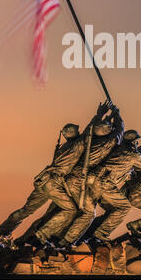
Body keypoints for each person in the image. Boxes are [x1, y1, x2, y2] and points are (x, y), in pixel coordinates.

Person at [0, 102, 110, 245]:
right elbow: (89, 132)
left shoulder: (63, 147)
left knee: (25, 210)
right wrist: (99, 114)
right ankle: (40, 236)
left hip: (43, 180)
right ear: (75, 134)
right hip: (53, 183)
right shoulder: (76, 145)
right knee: (70, 210)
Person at [33, 103, 124, 250]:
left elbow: (90, 129)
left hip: (71, 179)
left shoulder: (88, 140)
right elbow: (119, 131)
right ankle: (63, 241)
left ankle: (53, 237)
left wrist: (104, 115)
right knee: (88, 213)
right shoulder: (107, 143)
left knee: (74, 210)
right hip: (78, 181)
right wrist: (117, 115)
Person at [78, 129, 141, 246]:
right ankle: (101, 233)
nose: (137, 144)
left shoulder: (118, 149)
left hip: (94, 181)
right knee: (124, 207)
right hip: (104, 183)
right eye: (136, 141)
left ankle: (89, 232)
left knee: (112, 210)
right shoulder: (132, 155)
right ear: (133, 142)